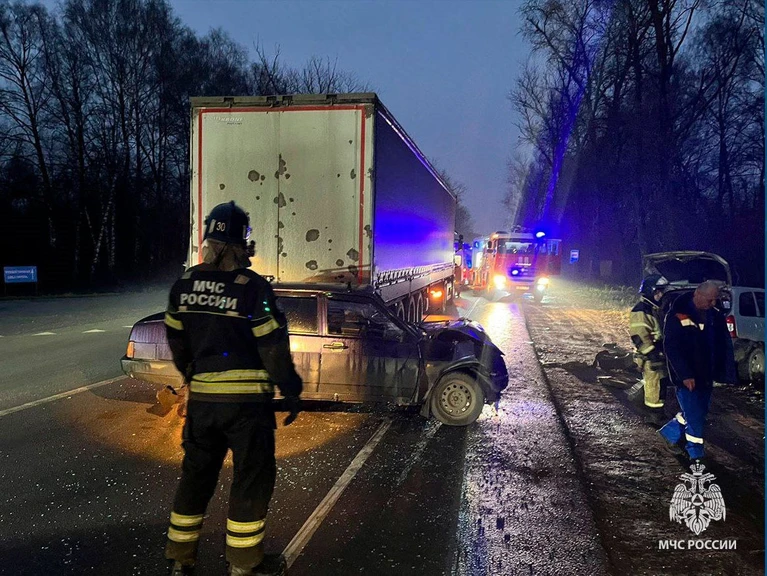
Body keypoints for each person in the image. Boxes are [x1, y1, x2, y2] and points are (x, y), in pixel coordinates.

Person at [163, 201, 303, 576]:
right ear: (243, 245)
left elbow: (176, 341)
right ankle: (243, 564)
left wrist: (193, 374)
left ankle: (180, 558)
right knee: (251, 479)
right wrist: (291, 389)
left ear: (208, 240)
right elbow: (272, 347)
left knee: (196, 478)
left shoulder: (184, 285)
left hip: (203, 405)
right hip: (247, 408)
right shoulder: (252, 288)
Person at [658, 280, 736, 462]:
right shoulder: (677, 315)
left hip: (706, 375)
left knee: (698, 411)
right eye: (709, 300)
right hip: (687, 378)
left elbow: (721, 346)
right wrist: (685, 375)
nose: (713, 304)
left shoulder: (714, 316)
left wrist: (724, 371)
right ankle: (696, 455)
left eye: (715, 300)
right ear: (697, 295)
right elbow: (672, 347)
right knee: (695, 418)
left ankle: (669, 433)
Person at [629, 274, 670, 426]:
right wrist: (652, 355)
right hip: (650, 355)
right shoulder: (641, 310)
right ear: (651, 291)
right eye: (658, 291)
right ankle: (654, 416)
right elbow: (639, 336)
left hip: (657, 353)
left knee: (659, 385)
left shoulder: (653, 308)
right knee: (654, 386)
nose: (661, 295)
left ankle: (655, 411)